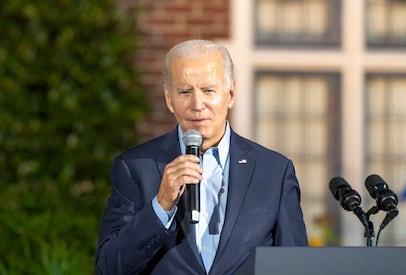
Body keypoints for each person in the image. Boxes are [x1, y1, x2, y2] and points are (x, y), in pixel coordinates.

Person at [95, 39, 308, 275]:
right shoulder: (135, 168)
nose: (197, 104)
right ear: (169, 99)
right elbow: (109, 267)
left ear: (231, 94)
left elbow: (295, 265)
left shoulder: (274, 172)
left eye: (208, 90)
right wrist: (161, 205)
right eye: (185, 91)